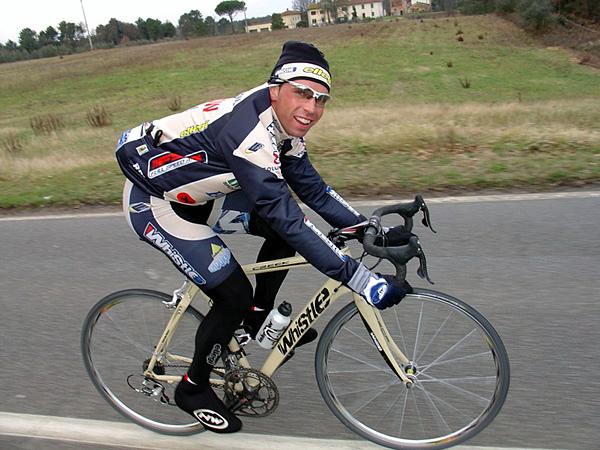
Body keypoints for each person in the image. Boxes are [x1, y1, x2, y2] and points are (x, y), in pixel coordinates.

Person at [115, 41, 412, 434]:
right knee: (233, 292)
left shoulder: (281, 122)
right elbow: (288, 218)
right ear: (276, 90)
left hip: (207, 189)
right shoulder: (249, 134)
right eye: (302, 94)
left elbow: (313, 189)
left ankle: (257, 318)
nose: (312, 109)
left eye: (321, 99)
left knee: (284, 232)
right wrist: (360, 278)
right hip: (158, 203)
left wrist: (367, 229)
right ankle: (193, 387)